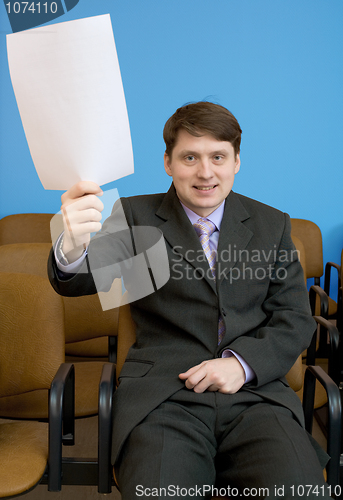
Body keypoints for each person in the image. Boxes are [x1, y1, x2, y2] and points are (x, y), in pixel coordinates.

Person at [48, 102, 330, 499]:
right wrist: (73, 245)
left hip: (255, 395)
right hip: (163, 397)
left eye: (218, 156)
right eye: (189, 157)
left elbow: (295, 319)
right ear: (168, 162)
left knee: (298, 490)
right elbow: (78, 281)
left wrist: (241, 366)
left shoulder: (272, 224)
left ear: (236, 162)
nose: (205, 172)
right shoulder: (136, 216)